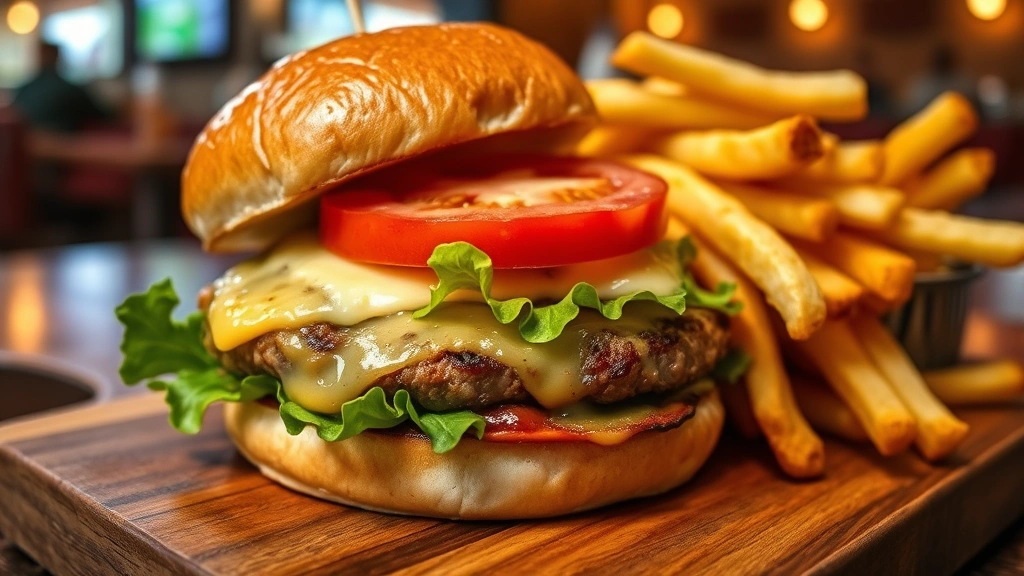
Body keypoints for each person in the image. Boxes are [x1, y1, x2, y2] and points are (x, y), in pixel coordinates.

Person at [11, 42, 110, 133]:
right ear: (58, 57)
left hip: (28, 147)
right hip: (67, 147)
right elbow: (102, 116)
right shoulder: (71, 90)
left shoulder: (23, 90)